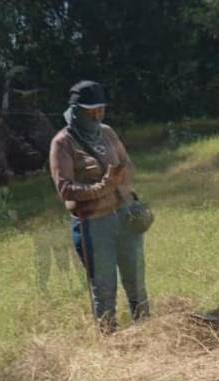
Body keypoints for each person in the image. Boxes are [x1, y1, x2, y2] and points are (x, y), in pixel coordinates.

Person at [49, 80, 149, 333]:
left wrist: (123, 182)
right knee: (104, 288)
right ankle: (110, 343)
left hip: (125, 216)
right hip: (93, 224)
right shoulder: (62, 143)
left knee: (136, 281)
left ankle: (148, 331)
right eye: (90, 111)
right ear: (75, 111)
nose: (96, 115)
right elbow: (66, 190)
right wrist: (103, 186)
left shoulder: (107, 132)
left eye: (100, 109)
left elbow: (127, 164)